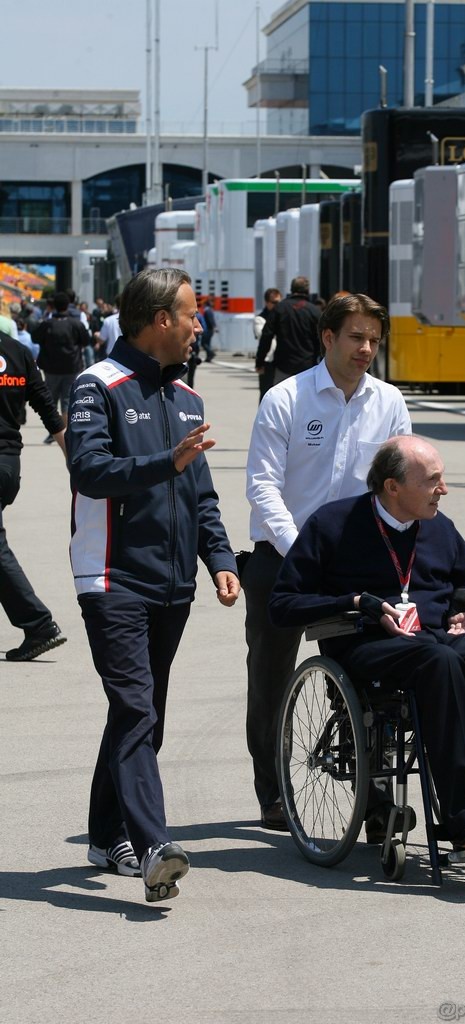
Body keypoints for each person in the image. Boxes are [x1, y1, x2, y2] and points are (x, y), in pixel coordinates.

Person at [270, 436, 465, 853]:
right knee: (439, 661)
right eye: (433, 481)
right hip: (368, 646)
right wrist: (356, 602)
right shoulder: (333, 524)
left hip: (437, 640)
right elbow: (283, 604)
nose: (443, 490)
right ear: (393, 487)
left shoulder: (439, 527)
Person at [67, 267, 240, 903]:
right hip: (111, 579)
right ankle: (152, 847)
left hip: (173, 586)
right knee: (138, 708)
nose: (200, 326)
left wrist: (219, 557)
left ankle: (102, 831)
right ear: (159, 320)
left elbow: (202, 495)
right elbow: (88, 469)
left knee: (142, 714)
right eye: (192, 315)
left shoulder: (188, 398)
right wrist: (164, 462)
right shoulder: (98, 385)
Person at [244, 292, 411, 832]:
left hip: (357, 565)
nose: (366, 349)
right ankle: (272, 792)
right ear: (328, 338)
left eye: (374, 340)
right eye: (357, 337)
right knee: (271, 680)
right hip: (283, 557)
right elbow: (262, 487)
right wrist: (302, 552)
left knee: (377, 679)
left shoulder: (388, 403)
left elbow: (400, 484)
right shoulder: (285, 399)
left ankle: (375, 802)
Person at [0, 327, 67, 661]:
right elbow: (46, 406)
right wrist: (75, 460)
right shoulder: (16, 351)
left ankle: (38, 624)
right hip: (9, 465)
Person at [33, 291, 90, 435]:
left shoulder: (47, 324)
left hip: (51, 368)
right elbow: (86, 341)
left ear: (53, 306)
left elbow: (35, 338)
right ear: (68, 305)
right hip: (72, 366)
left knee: (51, 400)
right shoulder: (75, 324)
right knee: (68, 400)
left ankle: (55, 430)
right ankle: (66, 432)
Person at [255, 275, 321, 385]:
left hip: (283, 365)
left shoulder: (279, 308)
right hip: (308, 365)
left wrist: (260, 361)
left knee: (282, 398)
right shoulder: (314, 311)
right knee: (306, 399)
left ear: (291, 289)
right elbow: (321, 339)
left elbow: (266, 335)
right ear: (308, 290)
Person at [253, 287, 281, 401]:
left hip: (280, 360)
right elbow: (263, 335)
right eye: (274, 302)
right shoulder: (260, 318)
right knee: (266, 394)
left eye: (279, 302)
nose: (277, 305)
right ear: (267, 303)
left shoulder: (283, 316)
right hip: (267, 360)